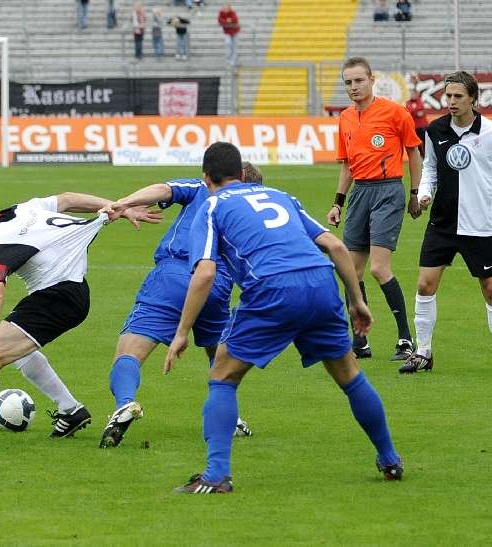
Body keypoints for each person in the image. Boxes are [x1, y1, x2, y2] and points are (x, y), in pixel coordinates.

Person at [165, 142, 403, 493]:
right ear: (243, 173)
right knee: (349, 374)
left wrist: (182, 331)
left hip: (272, 287)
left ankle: (216, 476)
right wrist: (356, 302)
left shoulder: (212, 205)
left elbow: (204, 274)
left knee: (222, 375)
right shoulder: (278, 195)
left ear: (206, 178)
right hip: (321, 281)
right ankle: (390, 459)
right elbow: (336, 246)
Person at [0, 195, 160, 452]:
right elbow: (66, 199)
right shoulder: (17, 210)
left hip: (58, 299)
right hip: (65, 292)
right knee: (13, 352)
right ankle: (71, 410)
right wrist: (117, 205)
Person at [97, 164, 264, 449]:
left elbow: (163, 189)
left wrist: (123, 203)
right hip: (216, 285)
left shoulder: (202, 188)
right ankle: (229, 418)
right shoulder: (254, 212)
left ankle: (125, 404)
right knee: (220, 359)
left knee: (129, 353)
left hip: (174, 277)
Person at [399, 71, 492, 375]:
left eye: (458, 96)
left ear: (473, 98)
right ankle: (423, 353)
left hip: (480, 225)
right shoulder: (435, 130)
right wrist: (425, 194)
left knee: (491, 289)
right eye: (448, 96)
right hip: (442, 224)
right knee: (424, 284)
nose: (452, 102)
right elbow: (430, 168)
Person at [327, 57, 423, 362]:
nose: (354, 87)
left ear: (372, 80)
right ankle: (361, 341)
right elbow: (347, 166)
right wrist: (338, 202)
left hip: (388, 190)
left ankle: (406, 339)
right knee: (350, 272)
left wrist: (415, 192)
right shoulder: (344, 118)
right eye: (348, 82)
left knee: (379, 268)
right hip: (360, 195)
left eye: (359, 81)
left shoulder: (395, 113)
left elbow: (414, 152)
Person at [405, 87, 429, 158]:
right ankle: (422, 156)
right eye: (412, 94)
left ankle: (427, 156)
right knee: (417, 143)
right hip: (414, 127)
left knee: (425, 142)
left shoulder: (420, 101)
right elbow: (409, 111)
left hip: (423, 126)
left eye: (414, 94)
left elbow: (421, 112)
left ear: (417, 95)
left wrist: (414, 112)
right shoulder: (408, 102)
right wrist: (416, 112)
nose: (412, 95)